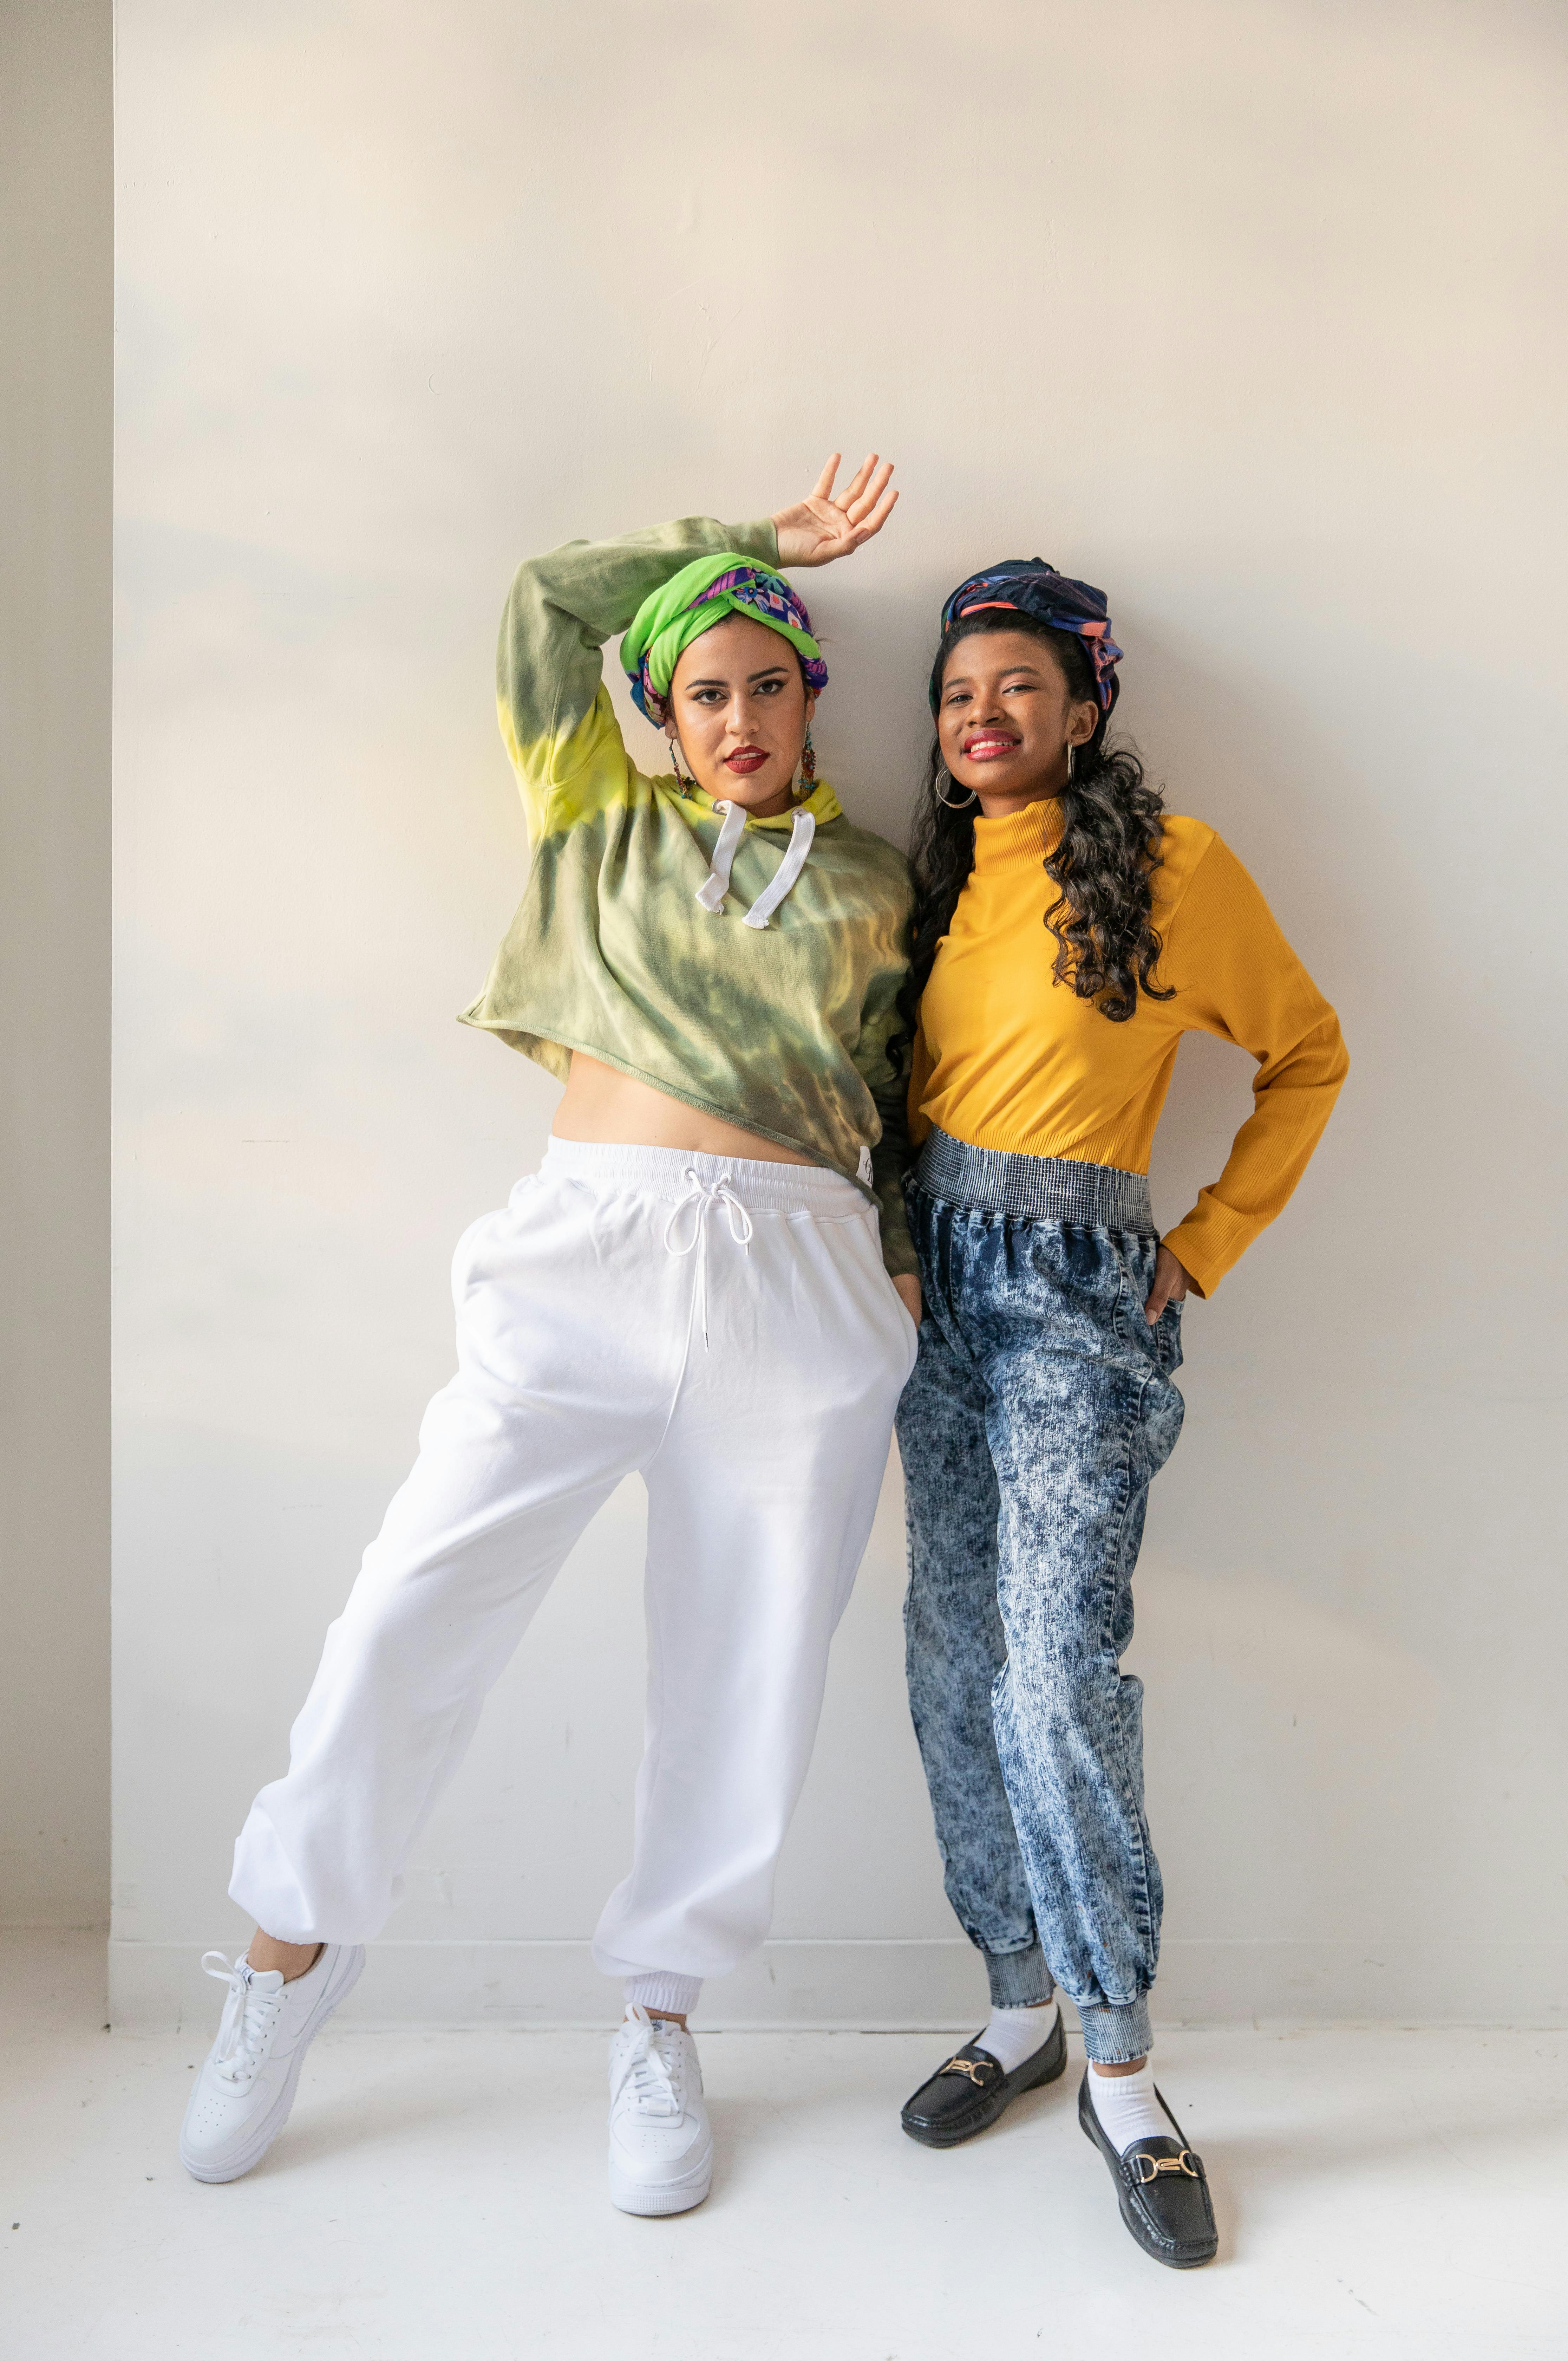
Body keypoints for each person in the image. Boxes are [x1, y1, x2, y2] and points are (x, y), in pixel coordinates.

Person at [179, 455, 922, 2216]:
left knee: (742, 1672)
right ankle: (288, 1956)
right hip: (587, 1260)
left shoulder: (885, 881)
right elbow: (542, 601)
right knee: (413, 1601)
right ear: (660, 715)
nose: (735, 715)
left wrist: (891, 1268)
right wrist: (749, 541)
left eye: (765, 678)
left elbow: (914, 1094)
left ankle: (657, 2014)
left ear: (812, 690)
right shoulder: (597, 820)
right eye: (700, 692)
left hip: (805, 1287)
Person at [892, 559, 1347, 2268]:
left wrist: (1204, 1246)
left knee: (1056, 1663)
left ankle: (1124, 2066)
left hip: (1079, 1298)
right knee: (950, 1656)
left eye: (1015, 685)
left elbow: (1307, 1054)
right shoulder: (933, 881)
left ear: (1084, 706)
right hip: (933, 1290)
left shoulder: (1172, 868)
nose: (980, 715)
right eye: (954, 694)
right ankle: (1015, 2007)